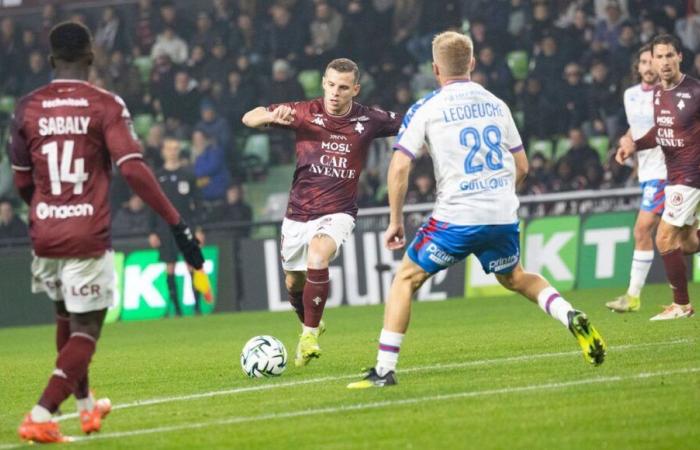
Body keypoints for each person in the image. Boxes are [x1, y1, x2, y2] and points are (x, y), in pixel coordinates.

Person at [347, 31, 606, 389]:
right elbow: (523, 166)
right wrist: (498, 198)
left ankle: (384, 369)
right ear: (472, 63)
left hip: (455, 218)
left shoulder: (426, 107)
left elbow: (400, 167)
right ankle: (569, 314)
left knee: (405, 279)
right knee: (515, 277)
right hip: (501, 215)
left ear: (435, 68)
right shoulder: (497, 104)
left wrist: (394, 220)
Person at [8, 22, 203, 443]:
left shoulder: (26, 107)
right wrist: (176, 222)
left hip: (44, 233)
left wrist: (47, 212)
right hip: (86, 234)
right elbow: (132, 168)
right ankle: (41, 413)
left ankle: (84, 407)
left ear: (49, 60)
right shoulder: (105, 105)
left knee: (66, 316)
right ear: (93, 58)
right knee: (86, 329)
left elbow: (21, 181)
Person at [242, 58, 401, 367]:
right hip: (298, 212)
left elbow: (412, 120)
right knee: (293, 283)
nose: (335, 93)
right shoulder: (304, 112)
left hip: (339, 211)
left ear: (355, 89)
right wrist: (271, 116)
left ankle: (309, 334)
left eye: (343, 87)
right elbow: (249, 118)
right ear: (323, 84)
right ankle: (310, 323)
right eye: (330, 85)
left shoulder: (369, 120)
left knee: (318, 255)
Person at [617, 34, 700, 321]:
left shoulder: (694, 92)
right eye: (658, 56)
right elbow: (660, 132)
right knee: (687, 243)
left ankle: (681, 305)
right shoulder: (657, 94)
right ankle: (681, 304)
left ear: (680, 57)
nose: (663, 62)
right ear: (651, 60)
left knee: (664, 239)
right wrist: (634, 146)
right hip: (675, 174)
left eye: (669, 56)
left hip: (691, 176)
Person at [607, 44, 667, 313]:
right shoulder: (630, 95)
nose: (648, 66)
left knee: (642, 229)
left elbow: (663, 129)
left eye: (652, 61)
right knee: (684, 238)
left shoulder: (668, 94)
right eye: (643, 61)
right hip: (647, 172)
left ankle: (633, 296)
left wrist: (634, 144)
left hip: (667, 171)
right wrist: (625, 141)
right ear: (638, 67)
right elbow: (635, 127)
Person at [149, 137, 205, 317]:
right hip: (165, 228)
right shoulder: (157, 176)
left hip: (185, 226)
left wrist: (199, 228)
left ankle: (197, 308)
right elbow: (153, 204)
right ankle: (177, 309)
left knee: (192, 265)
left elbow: (197, 203)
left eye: (175, 148)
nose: (172, 151)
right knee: (170, 266)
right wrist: (152, 231)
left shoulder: (187, 175)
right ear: (163, 151)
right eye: (169, 148)